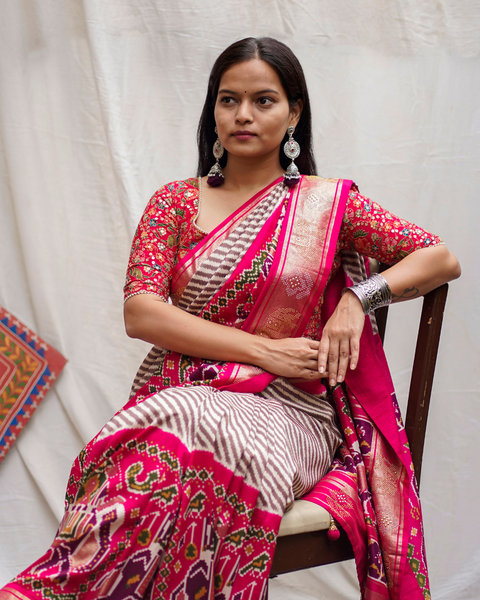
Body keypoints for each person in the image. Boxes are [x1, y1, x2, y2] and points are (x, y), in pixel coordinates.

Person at [0, 37, 460, 600]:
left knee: (208, 429)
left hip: (292, 414)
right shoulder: (174, 202)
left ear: (294, 113)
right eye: (228, 99)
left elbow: (439, 257)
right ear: (212, 111)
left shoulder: (327, 204)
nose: (242, 114)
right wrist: (263, 351)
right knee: (186, 416)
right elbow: (141, 312)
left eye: (263, 100)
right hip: (180, 397)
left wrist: (357, 299)